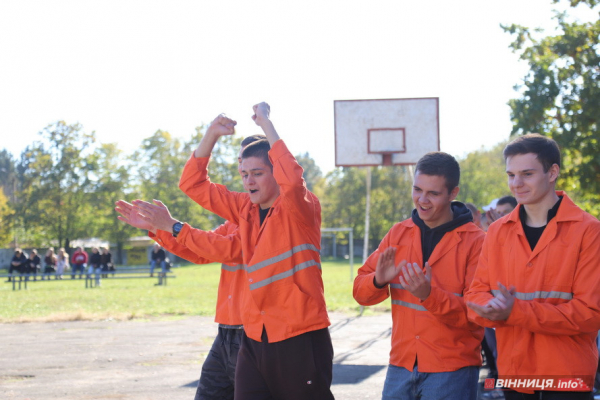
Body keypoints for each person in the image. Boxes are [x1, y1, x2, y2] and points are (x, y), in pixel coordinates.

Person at [178, 103, 333, 399]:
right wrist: (211, 134)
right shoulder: (244, 209)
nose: (249, 180)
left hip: (298, 335)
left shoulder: (299, 207)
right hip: (254, 335)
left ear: (275, 172)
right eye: (244, 173)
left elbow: (292, 176)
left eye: (258, 173)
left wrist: (266, 124)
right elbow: (193, 184)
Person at [116, 133, 265, 400]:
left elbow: (225, 249)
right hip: (226, 334)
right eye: (241, 160)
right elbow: (200, 252)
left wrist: (172, 226)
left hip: (253, 336)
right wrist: (157, 228)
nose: (244, 167)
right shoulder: (237, 217)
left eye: (251, 163)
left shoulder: (265, 216)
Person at [466, 133, 600, 399]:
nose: (516, 184)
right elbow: (475, 294)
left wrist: (515, 312)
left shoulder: (589, 231)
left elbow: (590, 313)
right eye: (511, 175)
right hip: (515, 374)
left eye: (527, 174)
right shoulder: (496, 232)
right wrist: (486, 309)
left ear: (552, 173)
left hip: (567, 376)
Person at [353, 152, 485, 400]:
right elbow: (360, 293)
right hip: (400, 366)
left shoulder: (476, 242)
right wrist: (377, 281)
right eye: (417, 190)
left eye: (433, 193)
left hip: (451, 371)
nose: (422, 200)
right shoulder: (398, 234)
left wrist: (429, 295)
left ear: (453, 193)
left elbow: (476, 317)